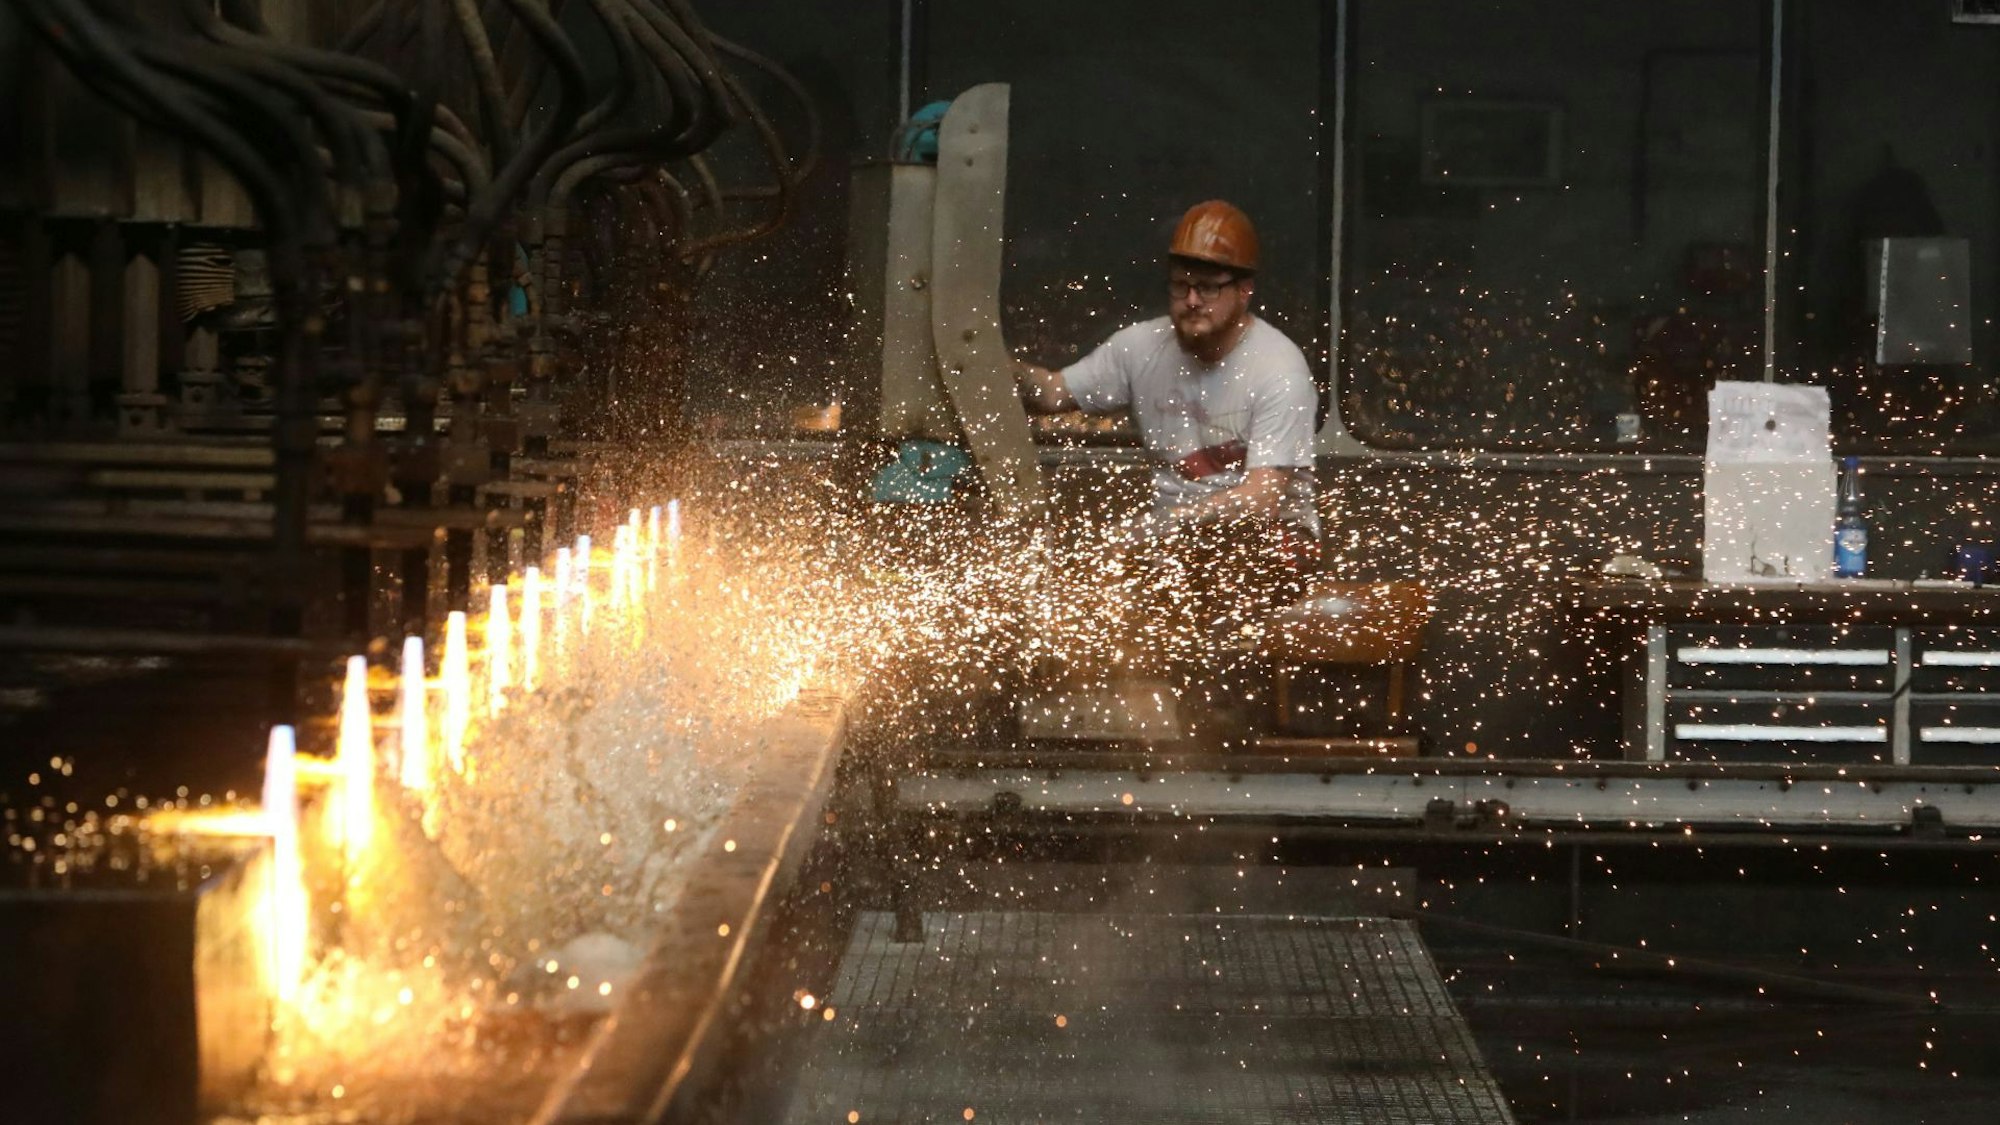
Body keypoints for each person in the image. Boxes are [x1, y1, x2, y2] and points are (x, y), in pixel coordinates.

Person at [1015, 199, 1321, 566]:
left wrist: (1161, 525)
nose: (1192, 301)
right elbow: (1052, 393)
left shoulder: (1278, 368)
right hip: (1176, 544)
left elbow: (1261, 497)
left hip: (1270, 544)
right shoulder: (1140, 348)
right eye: (1181, 286)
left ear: (1244, 291)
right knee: (1090, 583)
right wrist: (976, 358)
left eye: (1208, 288)